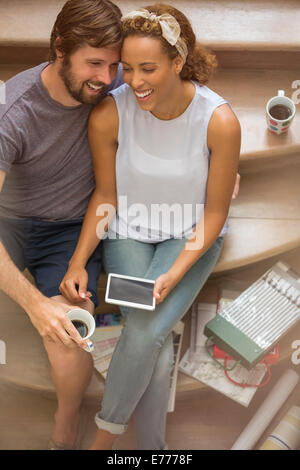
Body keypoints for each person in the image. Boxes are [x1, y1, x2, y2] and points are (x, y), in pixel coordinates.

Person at [60, 3, 241, 450]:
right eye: (127, 68)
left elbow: (215, 213)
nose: (134, 81)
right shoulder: (110, 114)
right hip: (128, 232)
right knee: (152, 336)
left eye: (148, 68)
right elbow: (105, 197)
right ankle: (153, 450)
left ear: (177, 62)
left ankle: (103, 437)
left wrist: (174, 272)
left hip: (191, 235)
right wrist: (78, 262)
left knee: (143, 330)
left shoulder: (219, 121)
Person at [0, 0, 123, 450]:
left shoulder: (113, 78)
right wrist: (35, 305)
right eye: (94, 63)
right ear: (59, 49)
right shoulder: (11, 112)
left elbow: (184, 82)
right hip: (7, 221)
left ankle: (67, 415)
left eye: (114, 65)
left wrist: (212, 157)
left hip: (70, 225)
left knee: (72, 333)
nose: (107, 79)